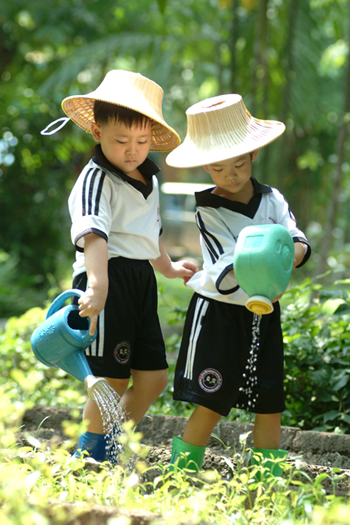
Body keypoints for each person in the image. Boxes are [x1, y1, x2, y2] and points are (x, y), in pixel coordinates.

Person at [44, 69, 198, 462]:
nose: (133, 150)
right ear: (97, 133)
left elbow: (148, 235)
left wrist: (167, 268)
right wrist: (98, 284)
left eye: (143, 141)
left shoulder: (149, 178)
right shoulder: (96, 179)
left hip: (140, 281)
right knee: (110, 377)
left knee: (152, 378)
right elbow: (95, 234)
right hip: (105, 276)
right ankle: (91, 455)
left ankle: (107, 446)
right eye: (121, 141)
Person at [165, 94, 311, 474]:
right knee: (212, 398)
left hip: (265, 312)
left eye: (238, 164)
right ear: (205, 168)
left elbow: (296, 240)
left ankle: (267, 480)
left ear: (254, 156)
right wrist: (271, 268)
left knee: (269, 399)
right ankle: (180, 474)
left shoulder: (272, 199)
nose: (230, 175)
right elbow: (235, 262)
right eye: (217, 168)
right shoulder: (208, 210)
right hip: (219, 313)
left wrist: (288, 264)